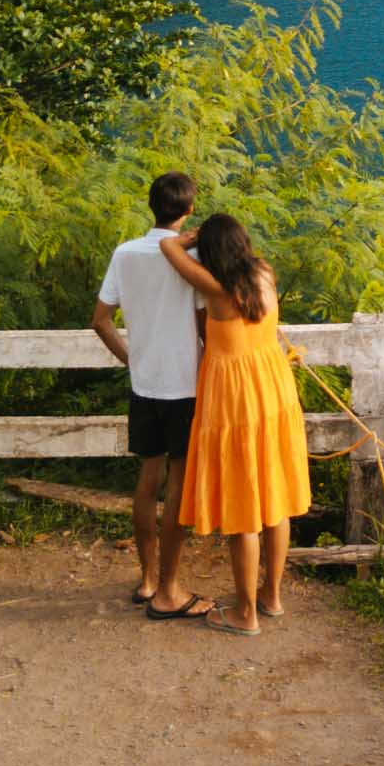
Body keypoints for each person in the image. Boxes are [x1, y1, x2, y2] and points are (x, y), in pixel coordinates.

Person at [159, 213, 311, 637]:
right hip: (274, 391)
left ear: (211, 253)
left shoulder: (216, 288)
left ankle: (246, 614)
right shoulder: (263, 273)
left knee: (244, 509)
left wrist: (186, 236)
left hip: (236, 399)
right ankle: (271, 596)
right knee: (274, 500)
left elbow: (166, 248)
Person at [91, 172, 213, 622]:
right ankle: (170, 587)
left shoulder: (124, 253)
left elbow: (101, 319)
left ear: (151, 205)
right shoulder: (192, 257)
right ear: (188, 210)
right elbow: (205, 325)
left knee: (147, 480)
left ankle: (146, 579)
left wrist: (130, 358)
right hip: (186, 385)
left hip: (145, 384)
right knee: (177, 486)